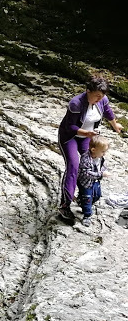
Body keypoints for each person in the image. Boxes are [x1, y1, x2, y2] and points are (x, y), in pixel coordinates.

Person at [58, 76, 123, 222]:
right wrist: (86, 133)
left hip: (87, 137)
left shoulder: (102, 100)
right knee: (73, 167)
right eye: (97, 96)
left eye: (102, 96)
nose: (100, 99)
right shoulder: (76, 103)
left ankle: (85, 197)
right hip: (70, 137)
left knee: (91, 163)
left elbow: (107, 111)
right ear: (88, 91)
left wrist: (115, 125)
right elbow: (70, 126)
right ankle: (65, 205)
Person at [77, 135, 110, 227]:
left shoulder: (99, 157)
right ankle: (87, 215)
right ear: (93, 150)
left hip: (95, 181)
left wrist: (103, 170)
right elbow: (86, 173)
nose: (104, 153)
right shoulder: (86, 159)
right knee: (87, 198)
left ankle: (82, 201)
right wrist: (100, 174)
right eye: (103, 151)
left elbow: (102, 166)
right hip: (85, 183)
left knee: (97, 195)